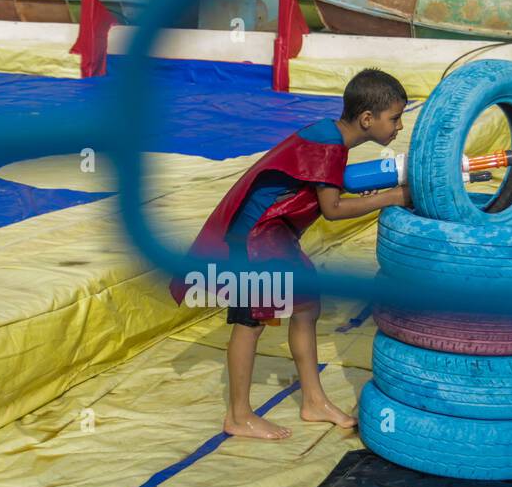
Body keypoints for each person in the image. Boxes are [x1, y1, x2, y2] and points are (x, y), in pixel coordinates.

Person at [170, 68, 411, 440]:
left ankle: (313, 400)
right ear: (367, 119)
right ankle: (238, 414)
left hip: (273, 234)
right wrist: (393, 197)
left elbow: (319, 185)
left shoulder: (330, 134)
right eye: (394, 118)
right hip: (257, 237)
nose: (397, 127)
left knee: (305, 306)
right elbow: (331, 209)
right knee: (250, 321)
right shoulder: (330, 147)